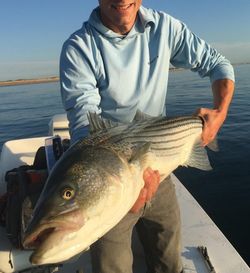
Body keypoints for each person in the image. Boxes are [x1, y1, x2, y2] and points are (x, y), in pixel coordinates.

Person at [59, 1, 235, 273]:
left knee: (169, 256)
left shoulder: (165, 27)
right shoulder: (79, 47)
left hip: (160, 165)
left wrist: (220, 113)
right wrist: (125, 186)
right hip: (113, 179)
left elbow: (217, 64)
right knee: (111, 266)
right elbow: (85, 126)